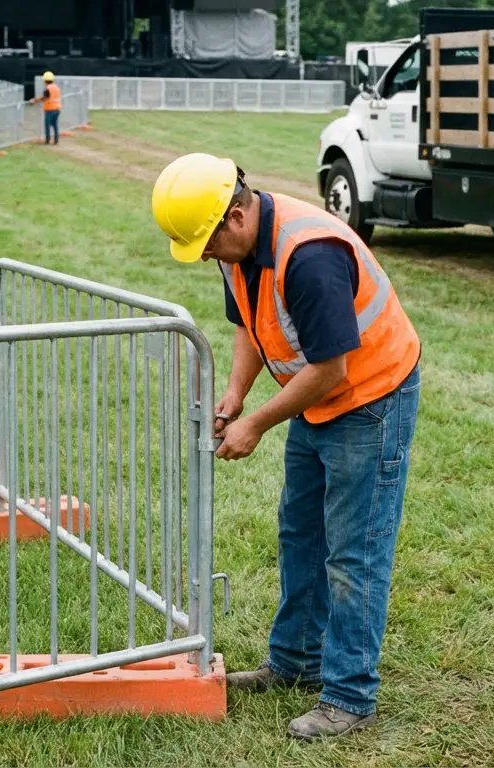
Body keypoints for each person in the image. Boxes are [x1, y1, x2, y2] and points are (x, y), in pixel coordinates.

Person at [151, 153, 422, 741]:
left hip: (369, 397)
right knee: (300, 529)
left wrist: (257, 425)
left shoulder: (311, 256)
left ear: (236, 217)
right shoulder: (240, 251)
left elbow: (330, 368)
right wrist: (235, 394)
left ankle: (350, 696)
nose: (202, 257)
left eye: (204, 244)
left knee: (355, 552)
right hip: (317, 396)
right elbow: (251, 324)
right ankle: (298, 660)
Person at [30, 71, 62, 145]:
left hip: (50, 109)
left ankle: (47, 140)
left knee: (47, 125)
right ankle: (56, 140)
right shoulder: (56, 87)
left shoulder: (47, 88)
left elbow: (45, 98)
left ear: (45, 80)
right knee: (55, 125)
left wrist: (35, 100)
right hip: (57, 108)